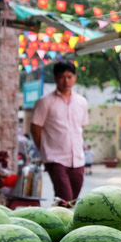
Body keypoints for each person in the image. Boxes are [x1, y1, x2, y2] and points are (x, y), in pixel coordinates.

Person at [30, 61, 89, 201]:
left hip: (78, 160)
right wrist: (44, 151)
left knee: (72, 200)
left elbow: (81, 127)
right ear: (56, 78)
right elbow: (35, 128)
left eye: (69, 76)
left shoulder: (82, 102)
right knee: (65, 198)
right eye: (62, 77)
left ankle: (61, 219)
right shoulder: (45, 102)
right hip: (55, 159)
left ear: (74, 78)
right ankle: (59, 221)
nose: (66, 81)